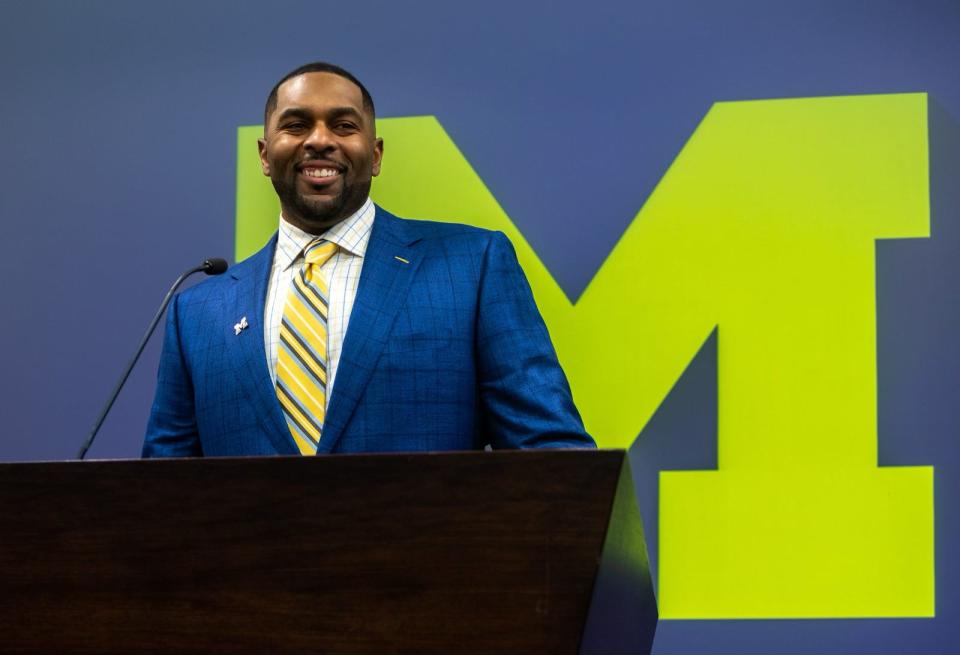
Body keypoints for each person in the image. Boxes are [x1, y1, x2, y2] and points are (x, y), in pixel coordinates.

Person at [143, 62, 593, 457]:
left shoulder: (471, 268)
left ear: (374, 155)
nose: (319, 140)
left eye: (343, 126)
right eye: (296, 125)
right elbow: (159, 494)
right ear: (264, 155)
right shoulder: (197, 314)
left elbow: (550, 455)